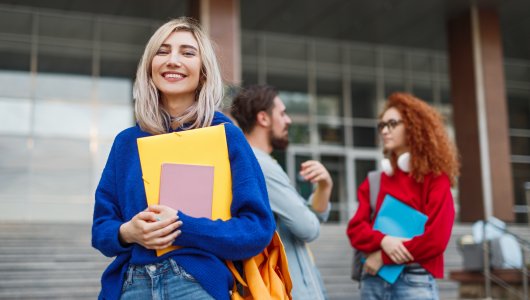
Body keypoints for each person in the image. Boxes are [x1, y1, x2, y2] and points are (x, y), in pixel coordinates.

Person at [91, 18, 275, 300]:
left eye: (187, 53)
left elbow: (256, 228)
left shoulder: (225, 135)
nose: (172, 60)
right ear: (150, 66)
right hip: (130, 286)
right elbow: (102, 229)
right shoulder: (126, 143)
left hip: (195, 283)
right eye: (162, 52)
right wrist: (129, 231)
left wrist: (182, 226)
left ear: (203, 72)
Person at [346, 92, 460, 299]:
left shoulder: (435, 179)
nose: (385, 131)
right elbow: (355, 229)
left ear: (414, 127)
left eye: (392, 124)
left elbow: (435, 240)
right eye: (382, 126)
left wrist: (384, 256)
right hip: (373, 280)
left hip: (414, 281)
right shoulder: (375, 180)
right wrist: (384, 240)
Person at [231, 85, 332, 300]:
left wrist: (324, 186)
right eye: (282, 113)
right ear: (263, 118)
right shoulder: (261, 166)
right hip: (290, 290)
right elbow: (308, 227)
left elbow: (310, 216)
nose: (288, 121)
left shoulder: (251, 161)